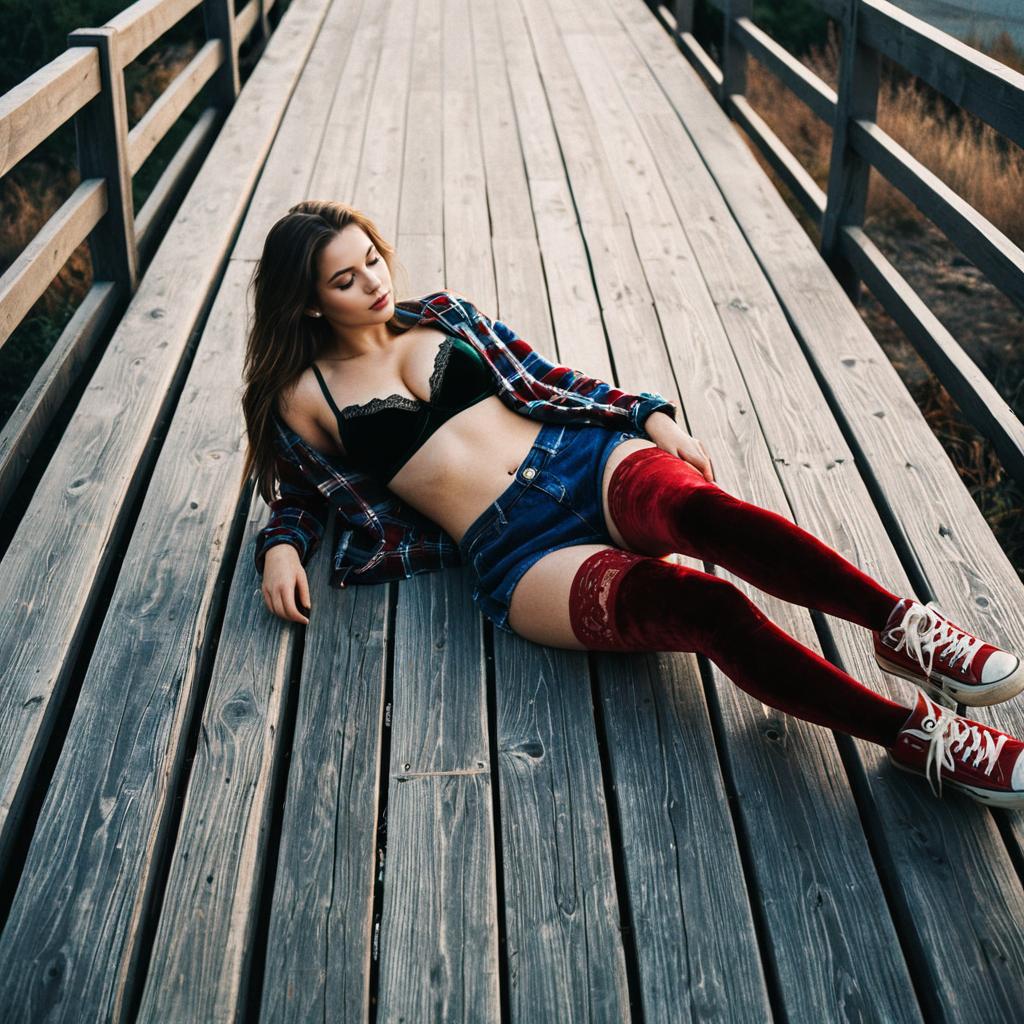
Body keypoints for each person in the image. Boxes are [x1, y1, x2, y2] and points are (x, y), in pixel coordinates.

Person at [240, 200, 1024, 809]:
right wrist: (282, 542)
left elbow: (547, 378)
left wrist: (650, 415)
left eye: (373, 259)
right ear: (308, 305)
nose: (376, 282)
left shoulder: (442, 314)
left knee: (707, 515)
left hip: (582, 459)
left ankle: (899, 627)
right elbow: (305, 492)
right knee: (705, 608)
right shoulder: (305, 397)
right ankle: (917, 736)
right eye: (347, 280)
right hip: (519, 551)